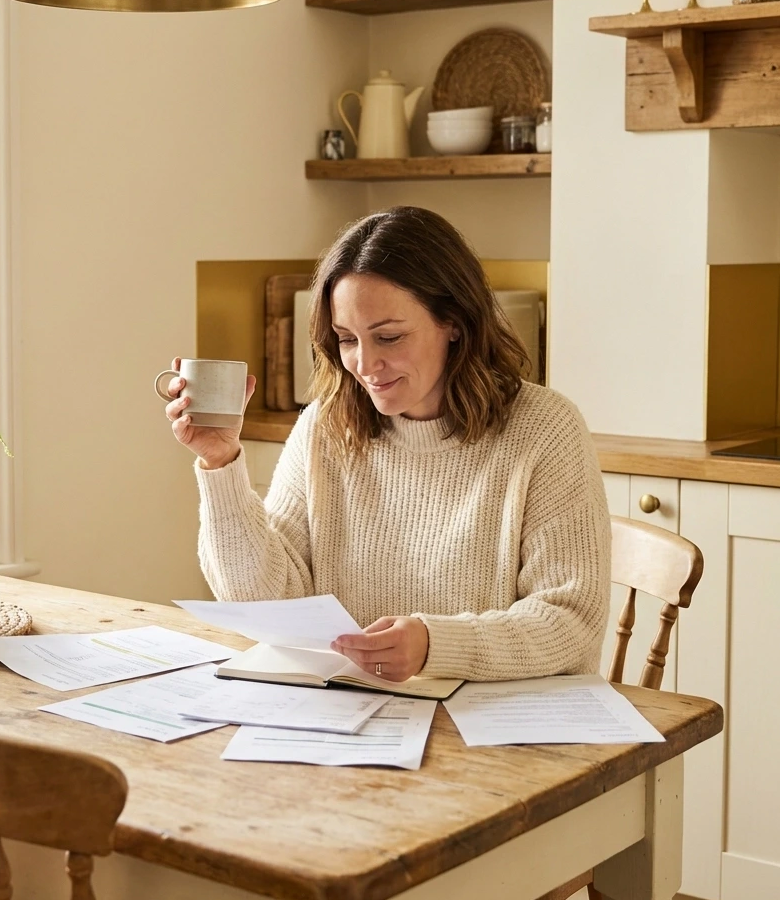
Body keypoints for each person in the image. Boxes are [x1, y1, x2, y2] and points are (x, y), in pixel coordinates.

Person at [163, 206, 610, 683]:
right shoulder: (325, 427)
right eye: (346, 339)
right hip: (360, 714)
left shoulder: (546, 429)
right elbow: (266, 605)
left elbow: (570, 619)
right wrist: (221, 463)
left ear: (453, 322)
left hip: (506, 727)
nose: (365, 364)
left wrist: (436, 646)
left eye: (389, 337)